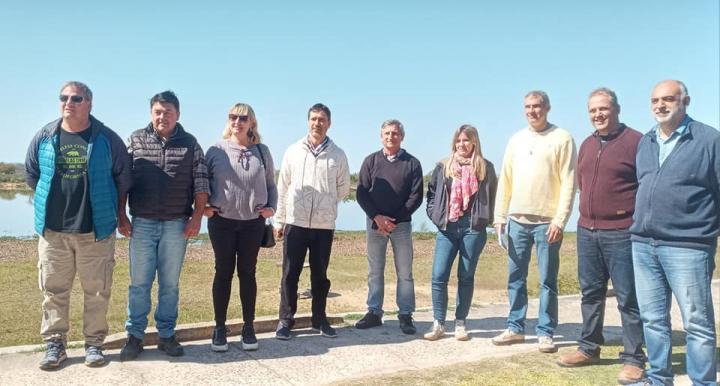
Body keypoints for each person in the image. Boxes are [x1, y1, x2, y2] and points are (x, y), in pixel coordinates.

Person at [25, 81, 132, 370]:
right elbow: (33, 175)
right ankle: (54, 345)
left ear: (89, 103)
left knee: (97, 290)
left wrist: (120, 215)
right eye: (63, 97)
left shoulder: (107, 138)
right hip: (53, 233)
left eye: (76, 98)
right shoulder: (45, 136)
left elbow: (124, 179)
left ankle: (94, 345)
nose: (68, 102)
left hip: (95, 232)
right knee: (53, 290)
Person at [556, 88, 646, 384]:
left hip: (622, 233)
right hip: (587, 230)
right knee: (590, 294)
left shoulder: (636, 142)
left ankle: (634, 358)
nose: (598, 114)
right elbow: (583, 184)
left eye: (603, 109)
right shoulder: (586, 144)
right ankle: (589, 347)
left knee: (628, 298)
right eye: (593, 110)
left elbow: (646, 187)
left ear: (617, 109)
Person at [631, 80, 718, 385]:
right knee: (653, 320)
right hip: (643, 245)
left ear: (686, 101)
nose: (660, 105)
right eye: (655, 100)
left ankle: (704, 382)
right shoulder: (646, 142)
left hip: (688, 247)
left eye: (668, 99)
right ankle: (658, 379)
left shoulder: (709, 140)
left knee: (697, 323)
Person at [118, 90, 209, 360]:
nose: (162, 116)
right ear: (151, 114)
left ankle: (166, 335)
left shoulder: (190, 143)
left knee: (169, 284)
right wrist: (121, 216)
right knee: (139, 284)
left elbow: (201, 184)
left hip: (176, 225)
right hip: (142, 224)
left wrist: (196, 218)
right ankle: (134, 336)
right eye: (158, 111)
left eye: (168, 112)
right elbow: (123, 181)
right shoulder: (135, 140)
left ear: (177, 115)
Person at [492, 90, 577, 353]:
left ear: (548, 108)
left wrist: (560, 221)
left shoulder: (562, 138)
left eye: (537, 106)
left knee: (547, 280)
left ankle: (545, 331)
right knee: (515, 277)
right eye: (528, 107)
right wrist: (499, 218)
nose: (532, 111)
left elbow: (569, 183)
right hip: (517, 221)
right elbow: (505, 180)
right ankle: (515, 326)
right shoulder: (516, 140)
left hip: (546, 223)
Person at [204, 103, 277, 352]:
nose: (237, 121)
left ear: (251, 122)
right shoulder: (215, 150)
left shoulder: (262, 151)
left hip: (252, 224)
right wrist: (203, 206)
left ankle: (248, 328)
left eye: (243, 117)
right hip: (221, 222)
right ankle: (220, 329)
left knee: (248, 273)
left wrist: (272, 208)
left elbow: (272, 185)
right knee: (223, 273)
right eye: (233, 117)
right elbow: (201, 182)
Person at [274, 103, 350, 340]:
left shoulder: (338, 155)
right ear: (308, 121)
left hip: (323, 225)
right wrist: (279, 220)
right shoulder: (293, 151)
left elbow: (343, 188)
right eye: (314, 119)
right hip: (295, 223)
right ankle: (286, 320)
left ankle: (319, 319)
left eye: (322, 119)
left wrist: (324, 202)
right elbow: (283, 187)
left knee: (320, 276)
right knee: (290, 274)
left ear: (329, 123)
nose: (317, 123)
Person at [424, 125, 497, 341]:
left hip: (472, 228)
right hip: (448, 227)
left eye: (466, 140)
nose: (462, 144)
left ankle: (460, 322)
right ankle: (438, 323)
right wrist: (435, 216)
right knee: (438, 276)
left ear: (474, 142)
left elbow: (494, 197)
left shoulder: (486, 168)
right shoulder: (443, 166)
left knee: (465, 276)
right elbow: (431, 194)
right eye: (458, 141)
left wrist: (486, 220)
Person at [355, 119, 423, 334]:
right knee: (375, 271)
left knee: (404, 272)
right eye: (386, 133)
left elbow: (416, 196)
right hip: (375, 224)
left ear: (401, 136)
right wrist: (377, 218)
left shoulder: (412, 163)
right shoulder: (370, 161)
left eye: (395, 133)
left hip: (401, 226)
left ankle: (405, 314)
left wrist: (393, 220)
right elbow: (361, 192)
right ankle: (374, 312)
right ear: (380, 136)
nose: (390, 137)